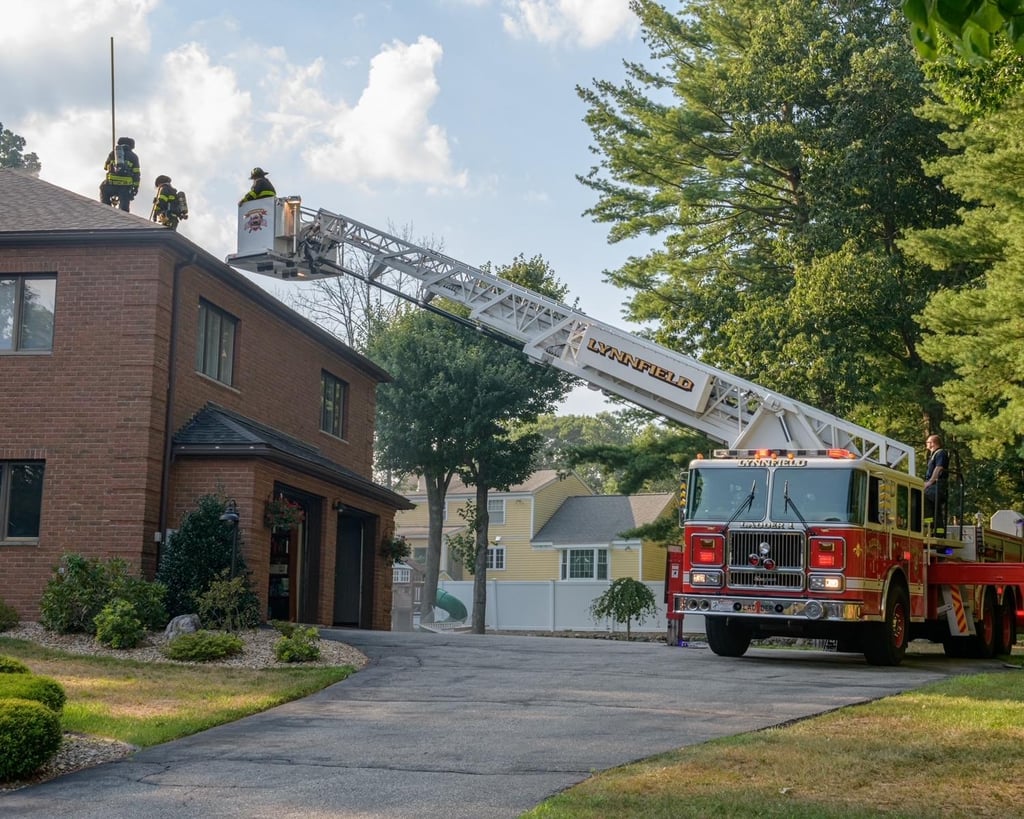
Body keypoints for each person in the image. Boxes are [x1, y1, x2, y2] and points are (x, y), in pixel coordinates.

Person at [99, 137, 141, 212]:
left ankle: (106, 209)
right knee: (124, 210)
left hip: (110, 185)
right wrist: (135, 188)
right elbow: (136, 174)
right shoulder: (134, 157)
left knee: (103, 189)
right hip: (125, 187)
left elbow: (105, 167)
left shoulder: (113, 153)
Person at [924, 433, 949, 535]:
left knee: (923, 497)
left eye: (927, 442)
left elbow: (939, 468)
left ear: (933, 443)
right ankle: (938, 532)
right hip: (934, 486)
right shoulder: (934, 455)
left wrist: (930, 482)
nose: (926, 444)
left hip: (937, 486)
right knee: (936, 511)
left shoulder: (940, 453)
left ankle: (929, 527)